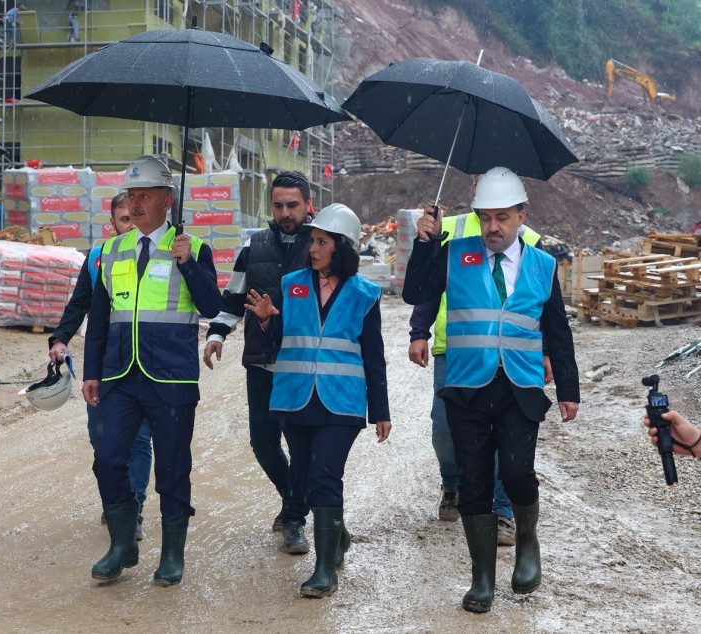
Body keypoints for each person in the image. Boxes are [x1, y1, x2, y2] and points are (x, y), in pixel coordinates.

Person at [402, 166, 580, 613]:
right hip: (467, 386)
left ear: (522, 215)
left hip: (519, 386)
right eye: (486, 217)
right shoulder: (454, 252)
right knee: (474, 482)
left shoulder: (542, 264)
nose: (493, 227)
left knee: (518, 471)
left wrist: (569, 388)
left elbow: (557, 330)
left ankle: (526, 539)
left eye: (502, 217)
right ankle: (482, 577)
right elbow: (414, 291)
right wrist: (423, 245)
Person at [82, 156, 221, 586]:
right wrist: (92, 371)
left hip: (172, 378)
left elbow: (212, 307)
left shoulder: (193, 248)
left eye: (145, 196)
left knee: (174, 468)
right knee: (107, 459)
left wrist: (187, 265)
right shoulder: (111, 250)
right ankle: (123, 544)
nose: (136, 204)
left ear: (167, 200)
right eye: (132, 196)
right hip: (121, 375)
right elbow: (100, 317)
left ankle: (172, 554)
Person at [245, 203, 391, 599]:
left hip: (340, 403)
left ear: (340, 247)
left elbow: (374, 356)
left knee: (325, 476)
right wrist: (265, 320)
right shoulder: (291, 284)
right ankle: (336, 535)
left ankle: (325, 570)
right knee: (303, 480)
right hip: (295, 399)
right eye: (313, 240)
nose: (313, 247)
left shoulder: (365, 294)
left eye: (322, 241)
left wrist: (380, 410)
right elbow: (276, 342)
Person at [408, 207, 545, 546]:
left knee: (502, 433)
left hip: (509, 355)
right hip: (454, 348)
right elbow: (428, 287)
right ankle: (451, 483)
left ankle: (501, 510)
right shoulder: (451, 228)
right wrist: (418, 331)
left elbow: (537, 302)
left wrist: (544, 352)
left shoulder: (529, 238)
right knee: (443, 427)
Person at [203, 171, 313, 554]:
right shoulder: (254, 246)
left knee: (301, 448)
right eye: (279, 205)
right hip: (262, 363)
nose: (285, 213)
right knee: (263, 442)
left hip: (303, 365)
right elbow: (233, 298)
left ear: (307, 205)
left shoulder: (320, 246)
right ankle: (294, 500)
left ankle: (295, 519)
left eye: (293, 205)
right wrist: (217, 334)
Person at [48, 193, 152, 540]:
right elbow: (78, 304)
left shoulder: (158, 253)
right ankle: (117, 498)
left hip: (143, 363)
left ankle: (132, 507)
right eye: (124, 219)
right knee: (102, 439)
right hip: (104, 365)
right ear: (113, 224)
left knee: (138, 439)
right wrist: (60, 338)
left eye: (136, 217)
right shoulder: (97, 258)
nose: (132, 224)